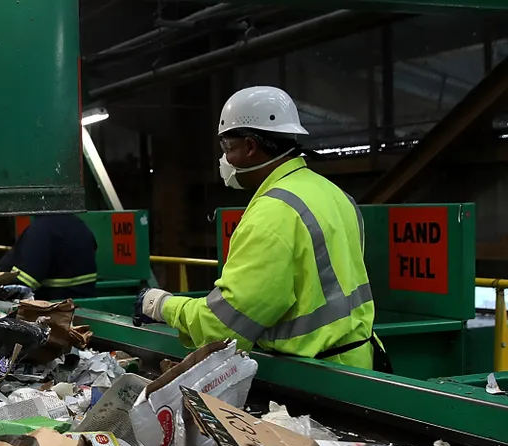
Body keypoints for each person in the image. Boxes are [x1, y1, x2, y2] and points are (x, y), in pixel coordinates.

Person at [134, 86, 384, 371]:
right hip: (358, 363)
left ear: (251, 147)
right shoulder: (335, 195)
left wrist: (162, 305)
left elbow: (223, 326)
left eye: (228, 149)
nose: (224, 161)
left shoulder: (273, 213)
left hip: (316, 376)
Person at [0, 214, 98, 300]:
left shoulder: (41, 230)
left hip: (54, 308)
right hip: (84, 304)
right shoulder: (79, 225)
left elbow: (24, 282)